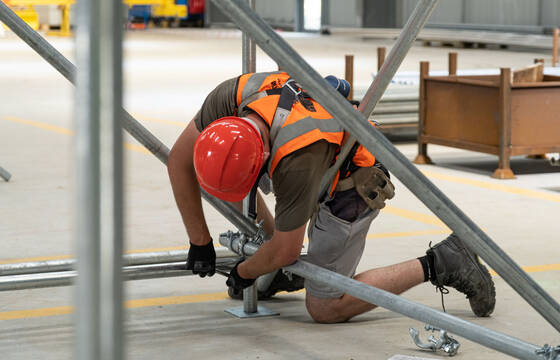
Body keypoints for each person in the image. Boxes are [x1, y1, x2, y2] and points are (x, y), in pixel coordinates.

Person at [167, 71, 496, 323]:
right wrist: (200, 240)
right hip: (318, 154)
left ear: (263, 157)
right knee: (262, 245)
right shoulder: (228, 98)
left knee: (324, 307)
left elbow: (286, 248)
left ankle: (443, 261)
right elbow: (178, 161)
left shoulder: (296, 163)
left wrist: (245, 272)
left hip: (353, 178)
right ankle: (283, 272)